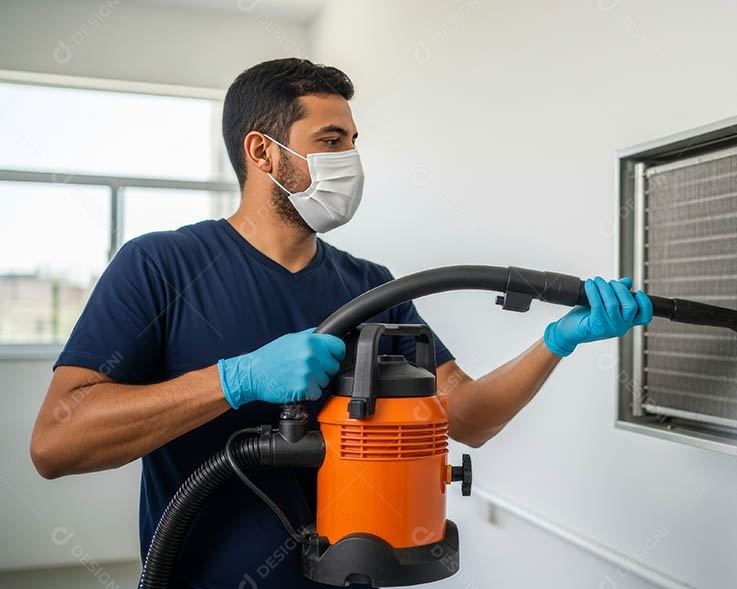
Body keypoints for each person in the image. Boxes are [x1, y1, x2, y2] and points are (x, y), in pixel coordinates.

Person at [28, 58, 652, 589]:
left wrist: (555, 343)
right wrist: (237, 379)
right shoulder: (162, 266)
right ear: (262, 151)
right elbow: (57, 444)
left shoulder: (371, 286)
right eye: (330, 140)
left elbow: (466, 418)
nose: (350, 158)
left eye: (354, 141)